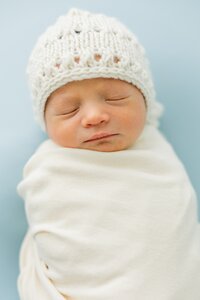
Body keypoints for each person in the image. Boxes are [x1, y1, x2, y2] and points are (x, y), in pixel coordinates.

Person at [17, 7, 200, 300]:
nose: (94, 116)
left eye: (115, 98)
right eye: (69, 109)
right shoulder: (48, 169)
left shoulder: (157, 155)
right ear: (46, 122)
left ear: (145, 101)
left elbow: (174, 235)